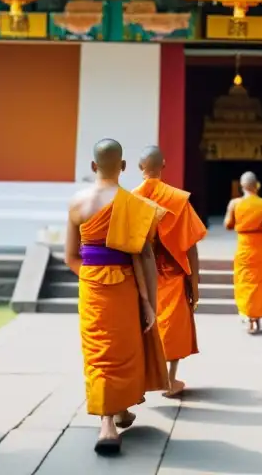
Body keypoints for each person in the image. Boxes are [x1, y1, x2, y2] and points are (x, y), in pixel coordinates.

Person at [65, 139, 169, 455]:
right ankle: (107, 424)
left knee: (100, 353)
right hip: (126, 284)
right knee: (125, 350)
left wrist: (94, 278)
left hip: (92, 286)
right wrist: (149, 302)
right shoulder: (134, 203)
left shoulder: (77, 203)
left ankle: (117, 412)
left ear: (94, 166)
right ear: (123, 166)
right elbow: (146, 257)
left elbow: (71, 256)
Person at [133, 145, 207, 399]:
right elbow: (191, 247)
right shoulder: (177, 199)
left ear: (139, 167)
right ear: (163, 164)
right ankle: (170, 379)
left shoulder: (130, 199)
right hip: (173, 273)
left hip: (140, 275)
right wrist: (195, 284)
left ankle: (142, 377)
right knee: (173, 327)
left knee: (140, 324)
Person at [224, 171, 262, 334]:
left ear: (242, 186)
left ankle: (248, 317)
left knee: (244, 282)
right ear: (256, 185)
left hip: (244, 246)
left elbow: (228, 224)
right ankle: (256, 319)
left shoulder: (235, 203)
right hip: (260, 248)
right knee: (259, 284)